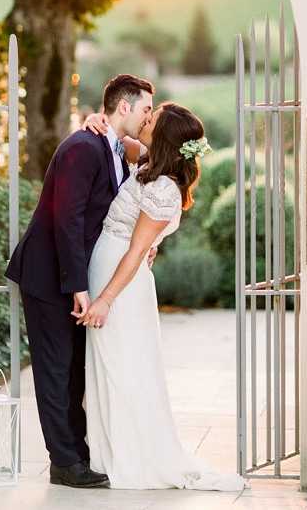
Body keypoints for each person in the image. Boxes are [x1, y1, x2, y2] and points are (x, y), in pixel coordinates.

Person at [77, 102, 246, 492]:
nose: (145, 119)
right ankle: (109, 453)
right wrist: (94, 121)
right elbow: (118, 140)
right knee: (108, 365)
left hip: (122, 282)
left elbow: (137, 251)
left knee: (123, 367)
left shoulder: (165, 187)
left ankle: (131, 458)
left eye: (152, 118)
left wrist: (105, 300)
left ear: (165, 135)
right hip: (111, 267)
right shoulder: (150, 163)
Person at [4, 74, 154, 488]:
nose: (146, 118)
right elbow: (65, 220)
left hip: (73, 275)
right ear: (123, 107)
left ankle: (77, 452)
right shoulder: (82, 147)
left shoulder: (113, 147)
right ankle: (64, 463)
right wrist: (78, 286)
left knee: (73, 371)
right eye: (143, 109)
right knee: (54, 370)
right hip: (48, 275)